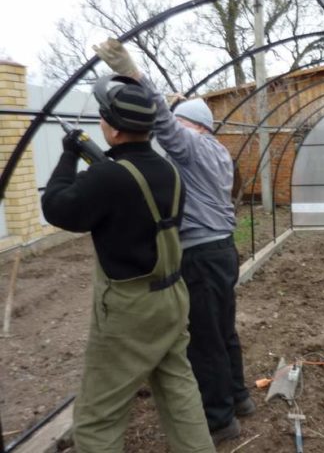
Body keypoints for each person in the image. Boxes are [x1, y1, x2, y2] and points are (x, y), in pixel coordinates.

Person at [41, 75, 215, 452]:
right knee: (179, 392)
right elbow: (129, 193)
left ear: (115, 130)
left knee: (98, 415)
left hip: (130, 311)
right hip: (172, 297)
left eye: (104, 117)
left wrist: (71, 154)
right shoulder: (170, 170)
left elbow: (57, 207)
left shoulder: (107, 176)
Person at [93, 39, 254, 445]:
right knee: (224, 331)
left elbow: (164, 121)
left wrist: (135, 74)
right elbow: (175, 120)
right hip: (223, 251)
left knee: (205, 339)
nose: (169, 133)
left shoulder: (191, 145)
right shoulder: (215, 149)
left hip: (199, 256)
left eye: (178, 124)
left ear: (189, 125)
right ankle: (239, 398)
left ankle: (219, 420)